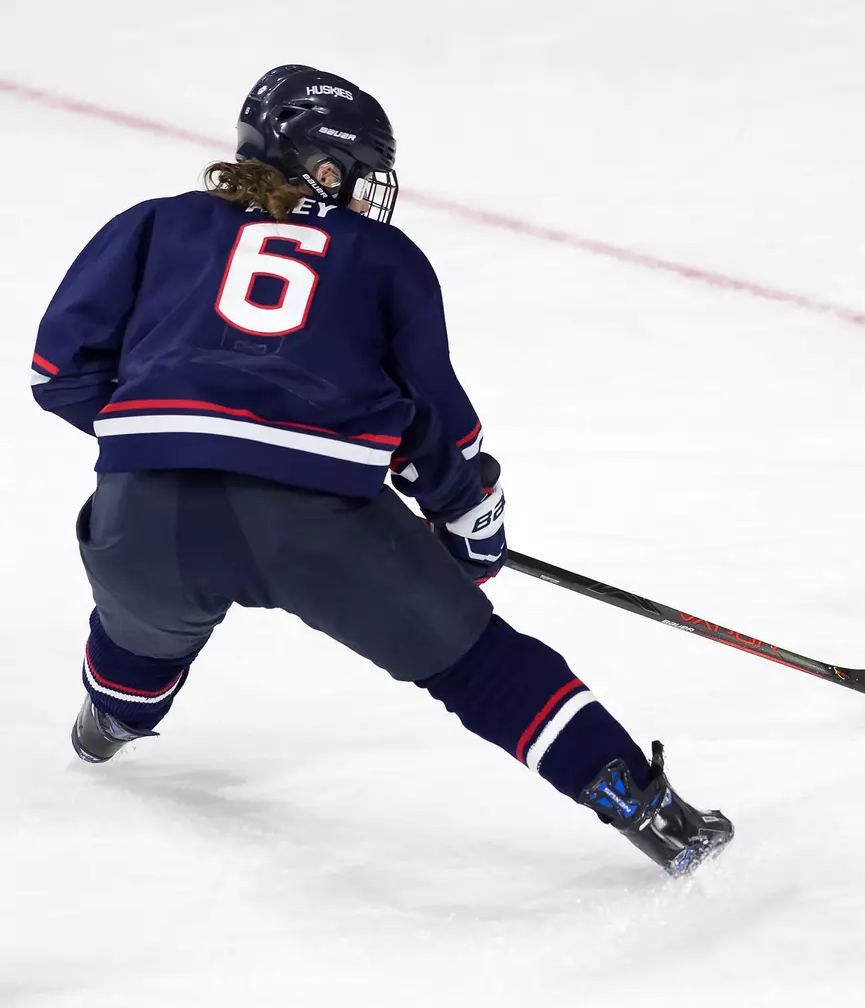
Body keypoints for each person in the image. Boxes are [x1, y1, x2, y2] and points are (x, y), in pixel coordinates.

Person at [31, 64, 734, 872]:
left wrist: (157, 434)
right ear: (324, 167)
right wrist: (468, 524)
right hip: (319, 524)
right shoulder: (383, 255)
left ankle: (110, 720)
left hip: (148, 508)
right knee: (484, 666)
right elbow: (437, 424)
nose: (366, 194)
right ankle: (653, 817)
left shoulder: (153, 224)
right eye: (358, 173)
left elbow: (60, 372)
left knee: (141, 639)